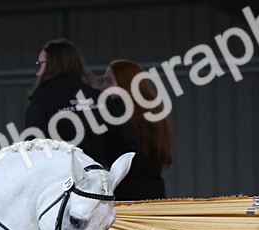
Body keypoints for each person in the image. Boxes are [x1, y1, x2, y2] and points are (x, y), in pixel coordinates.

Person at [25, 38, 138, 174]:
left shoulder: (42, 99)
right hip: (98, 179)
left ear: (52, 64)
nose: (37, 72)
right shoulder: (99, 97)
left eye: (40, 65)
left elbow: (33, 147)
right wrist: (105, 167)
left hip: (62, 182)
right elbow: (128, 141)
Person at [102, 59, 174, 200]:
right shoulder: (155, 109)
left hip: (124, 191)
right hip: (155, 189)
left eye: (109, 81)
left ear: (124, 84)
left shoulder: (115, 111)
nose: (103, 87)